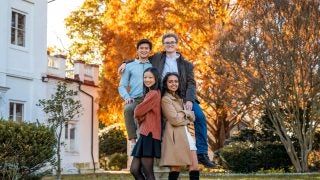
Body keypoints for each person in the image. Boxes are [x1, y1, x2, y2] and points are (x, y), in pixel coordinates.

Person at [119, 33, 215, 168]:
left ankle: (202, 153)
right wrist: (125, 62)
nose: (170, 44)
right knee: (161, 122)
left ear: (176, 44)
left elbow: (192, 83)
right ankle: (161, 153)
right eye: (167, 42)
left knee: (199, 116)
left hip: (182, 96)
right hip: (164, 96)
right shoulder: (158, 57)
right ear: (163, 45)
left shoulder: (186, 64)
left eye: (172, 42)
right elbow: (141, 57)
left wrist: (189, 99)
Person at [160, 72, 199, 180]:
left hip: (186, 134)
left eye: (176, 81)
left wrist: (182, 115)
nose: (174, 84)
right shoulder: (165, 99)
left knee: (194, 166)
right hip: (175, 136)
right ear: (166, 84)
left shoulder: (180, 98)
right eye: (170, 81)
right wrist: (186, 113)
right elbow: (174, 120)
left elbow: (193, 117)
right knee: (175, 168)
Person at [118, 39, 153, 151]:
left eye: (146, 48)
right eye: (141, 48)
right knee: (128, 108)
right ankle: (133, 141)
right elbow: (122, 86)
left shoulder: (154, 64)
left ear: (150, 51)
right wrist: (127, 97)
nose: (144, 50)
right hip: (136, 99)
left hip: (151, 98)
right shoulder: (129, 66)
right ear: (137, 50)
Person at [130, 67, 162, 180]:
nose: (147, 79)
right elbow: (141, 113)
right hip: (145, 134)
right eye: (145, 77)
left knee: (148, 172)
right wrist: (141, 116)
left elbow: (137, 111)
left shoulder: (153, 93)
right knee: (134, 169)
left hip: (150, 134)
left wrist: (140, 116)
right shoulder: (150, 93)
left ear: (156, 79)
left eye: (150, 77)